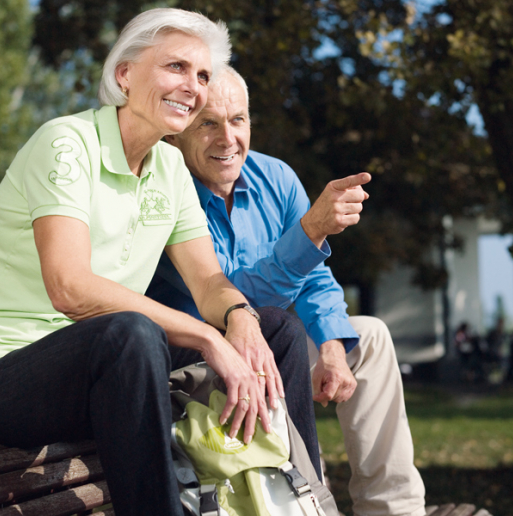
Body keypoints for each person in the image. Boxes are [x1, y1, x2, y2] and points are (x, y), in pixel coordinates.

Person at [0, 11, 319, 516]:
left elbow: (209, 281)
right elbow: (71, 289)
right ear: (124, 75)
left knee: (277, 330)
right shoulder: (65, 144)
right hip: (1, 377)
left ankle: (302, 502)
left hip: (112, 371)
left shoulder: (169, 167)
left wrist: (239, 321)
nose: (194, 87)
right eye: (176, 67)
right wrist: (209, 336)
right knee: (132, 332)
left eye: (203, 75)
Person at [147, 64, 427, 516]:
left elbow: (315, 279)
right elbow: (231, 299)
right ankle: (306, 500)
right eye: (208, 124)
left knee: (367, 336)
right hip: (201, 359)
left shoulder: (275, 176)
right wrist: (311, 230)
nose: (227, 138)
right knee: (283, 331)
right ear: (177, 134)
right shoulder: (165, 188)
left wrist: (332, 347)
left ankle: (394, 510)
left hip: (276, 343)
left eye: (237, 120)